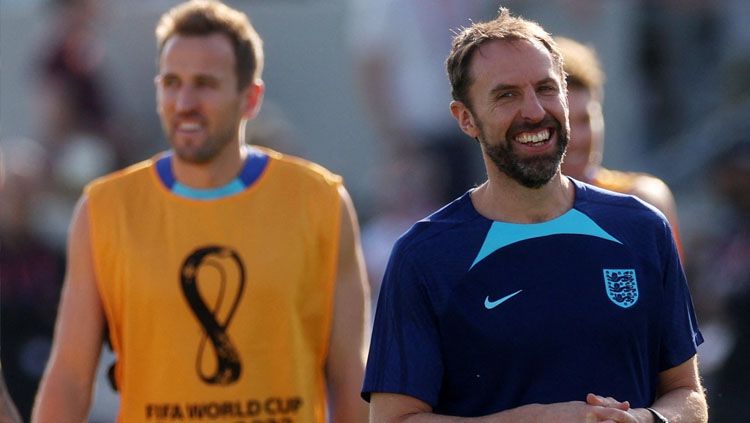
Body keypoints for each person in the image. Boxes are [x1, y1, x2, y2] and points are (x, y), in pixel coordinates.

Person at [362, 8, 707, 422]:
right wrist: (537, 419)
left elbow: (687, 393)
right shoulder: (423, 256)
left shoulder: (642, 228)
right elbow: (393, 419)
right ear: (465, 118)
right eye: (506, 95)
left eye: (546, 88)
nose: (534, 111)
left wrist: (647, 420)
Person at [32, 1, 370, 422]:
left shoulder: (321, 203)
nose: (184, 101)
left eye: (205, 84)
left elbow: (350, 374)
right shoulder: (104, 210)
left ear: (250, 98)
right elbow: (69, 376)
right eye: (171, 83)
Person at [555, 36, 684, 256]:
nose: (575, 139)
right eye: (563, 123)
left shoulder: (640, 199)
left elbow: (668, 288)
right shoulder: (508, 214)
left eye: (585, 120)